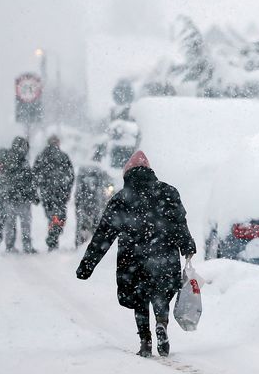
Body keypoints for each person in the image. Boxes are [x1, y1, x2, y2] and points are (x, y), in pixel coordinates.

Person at [76, 151, 195, 357]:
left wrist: (87, 265)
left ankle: (145, 340)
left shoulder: (121, 199)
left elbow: (103, 235)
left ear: (127, 175)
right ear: (150, 171)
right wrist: (187, 245)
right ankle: (161, 324)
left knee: (140, 299)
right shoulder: (168, 192)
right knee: (160, 294)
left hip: (133, 258)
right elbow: (179, 223)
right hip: (164, 255)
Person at [34, 136, 75, 251]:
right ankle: (53, 238)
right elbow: (71, 175)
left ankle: (53, 237)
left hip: (47, 193)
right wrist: (67, 190)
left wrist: (38, 191)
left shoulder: (42, 156)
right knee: (59, 217)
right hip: (60, 192)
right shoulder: (63, 156)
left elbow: (35, 175)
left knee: (52, 216)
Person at [1, 137, 39, 254]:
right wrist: (33, 195)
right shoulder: (23, 162)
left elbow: (4, 180)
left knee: (10, 224)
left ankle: (9, 246)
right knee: (25, 224)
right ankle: (26, 246)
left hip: (11, 198)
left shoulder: (8, 159)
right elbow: (30, 181)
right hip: (22, 199)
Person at [73, 146, 112, 247]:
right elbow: (107, 184)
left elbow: (78, 188)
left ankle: (80, 243)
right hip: (96, 202)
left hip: (85, 201)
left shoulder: (84, 169)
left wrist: (77, 200)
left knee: (82, 223)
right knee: (96, 223)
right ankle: (95, 243)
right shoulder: (99, 169)